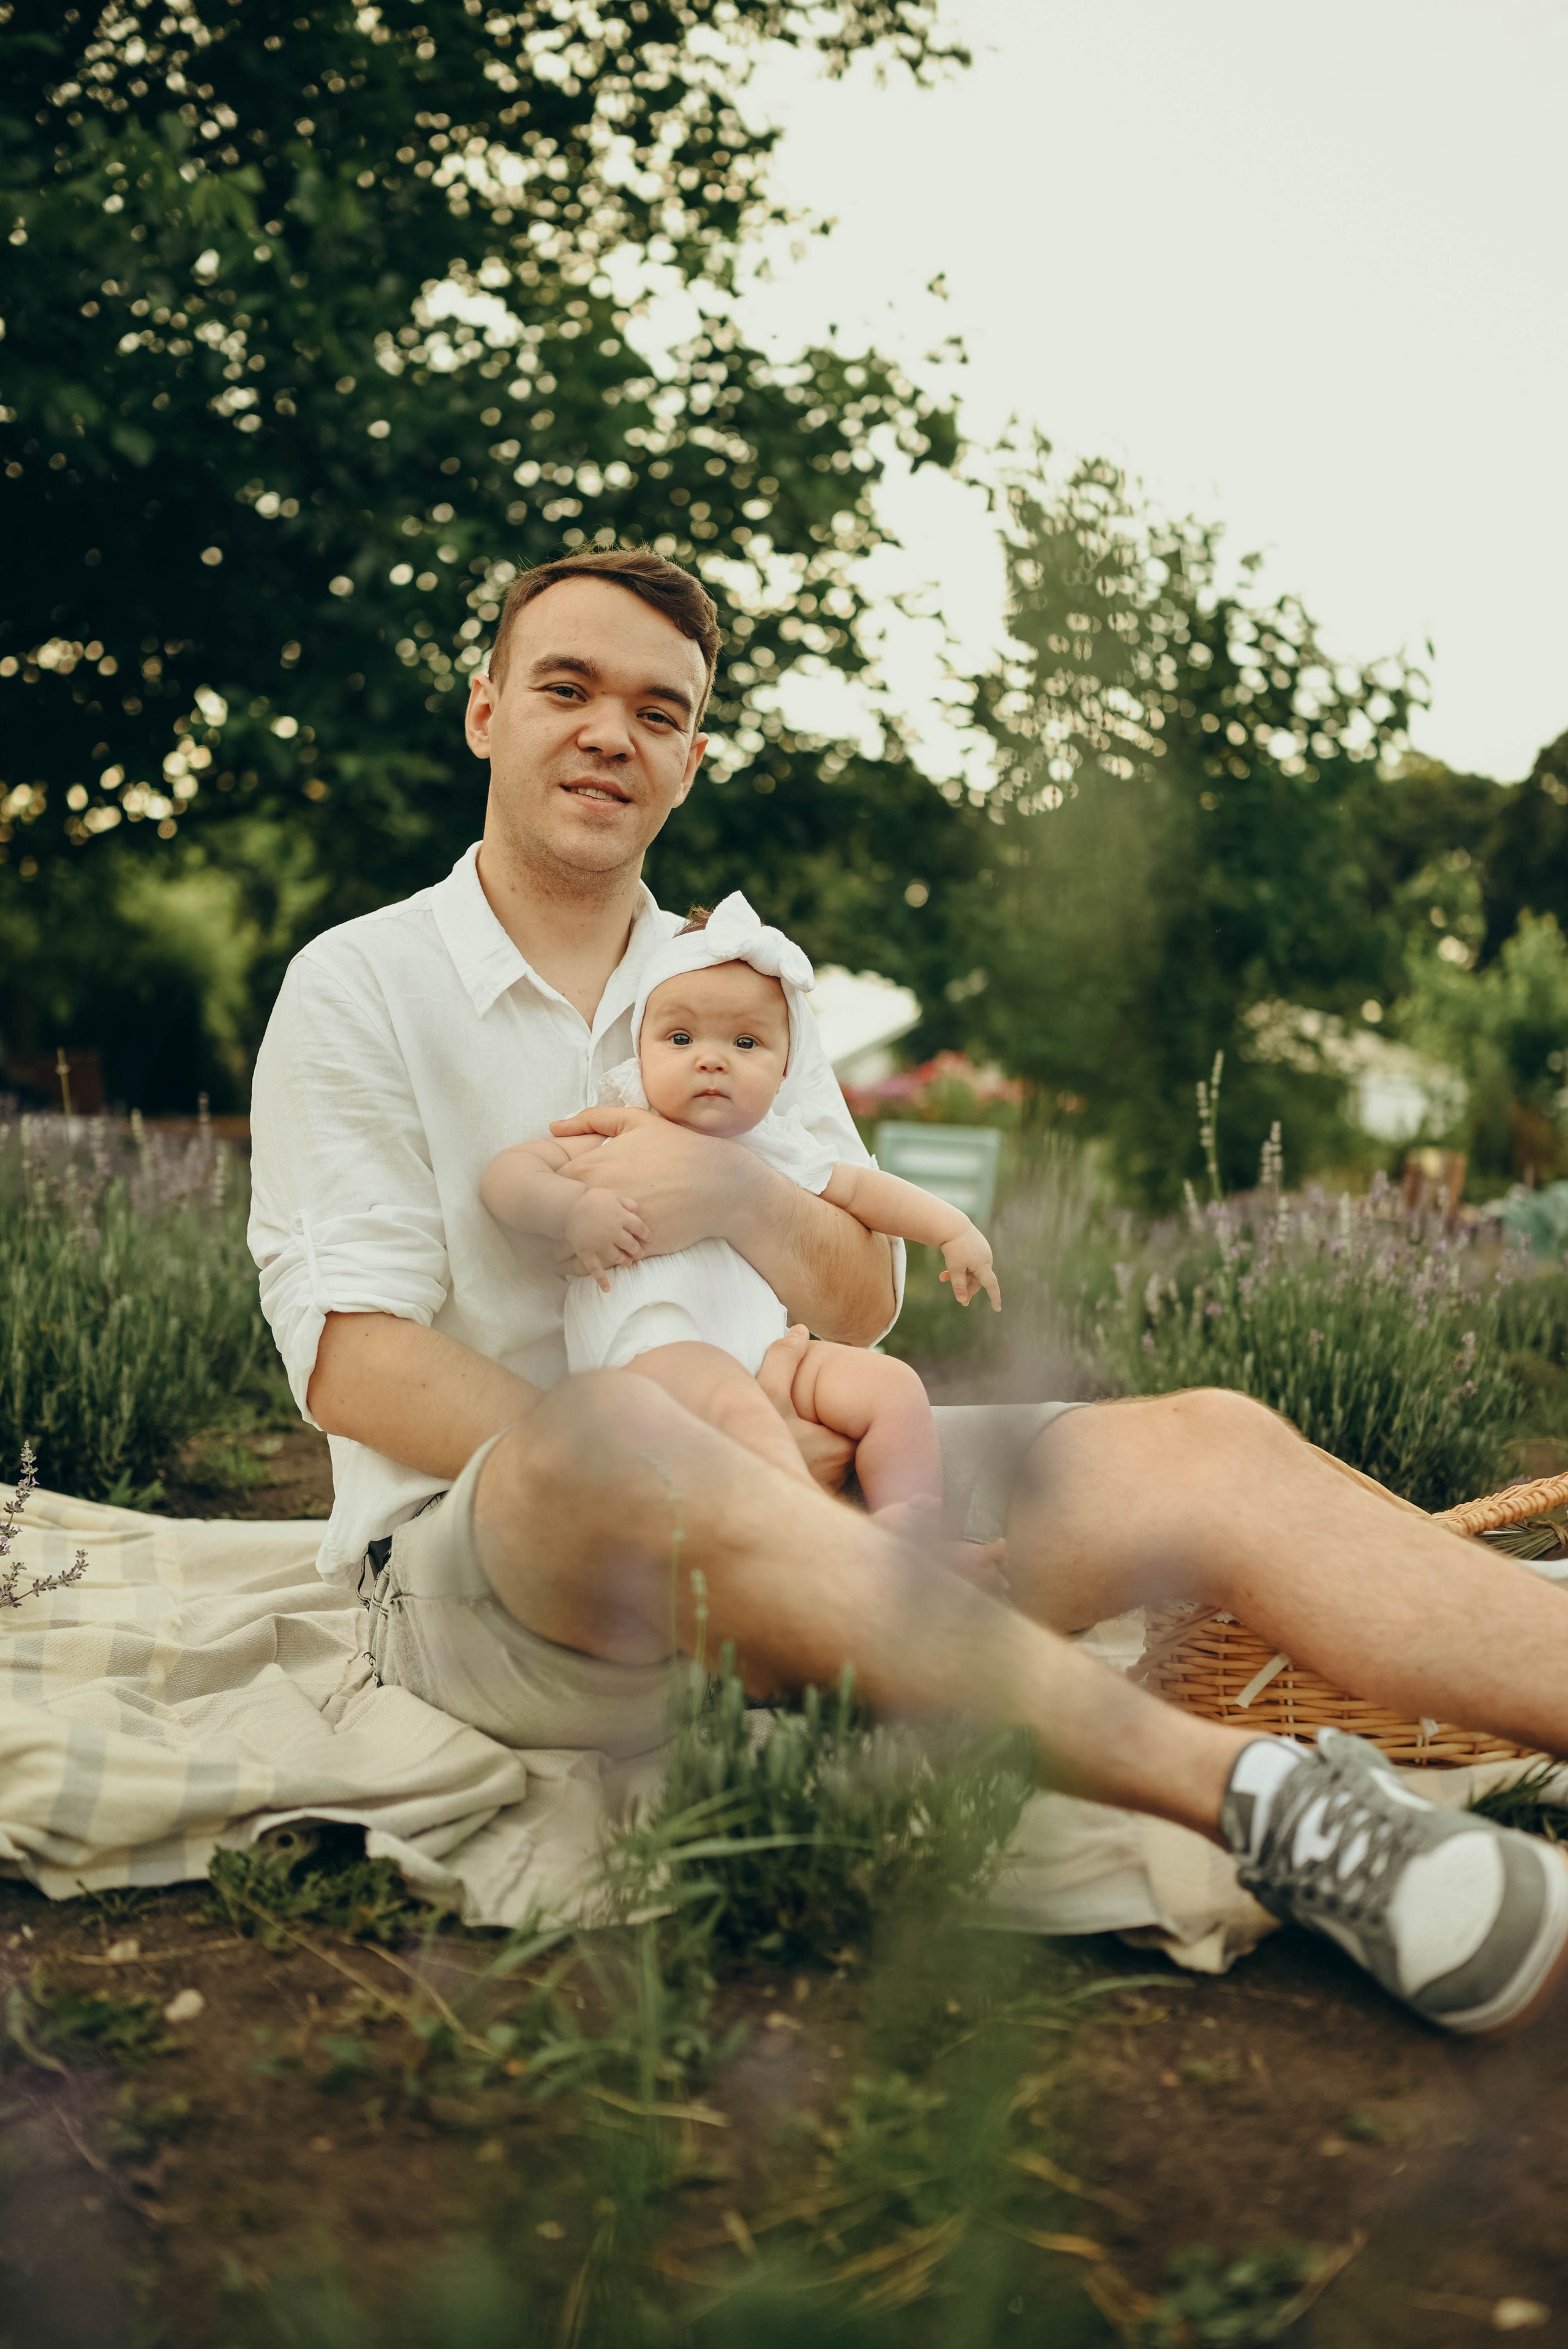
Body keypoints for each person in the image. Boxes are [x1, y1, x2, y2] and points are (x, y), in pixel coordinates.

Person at [249, 545, 1568, 2041]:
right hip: (506, 1559)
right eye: (567, 687)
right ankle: (1278, 1810)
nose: (612, 730)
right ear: (486, 711)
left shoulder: (742, 983)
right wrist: (699, 1464)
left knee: (1202, 1436)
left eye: (659, 708)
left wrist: (741, 1194)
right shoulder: (358, 984)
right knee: (630, 1433)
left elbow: (860, 1304)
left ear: (690, 756)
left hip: (819, 1478)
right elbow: (352, 1358)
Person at [480, 888, 999, 1542]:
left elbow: (865, 1192)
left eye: (745, 1041)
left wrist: (952, 1229)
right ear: (640, 1050)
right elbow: (508, 1176)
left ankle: (915, 1533)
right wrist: (571, 1209)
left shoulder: (778, 1147)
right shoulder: (620, 1128)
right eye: (679, 1036)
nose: (711, 1057)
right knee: (731, 1399)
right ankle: (829, 1545)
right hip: (655, 1356)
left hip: (767, 1351)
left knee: (891, 1387)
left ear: (784, 1070)